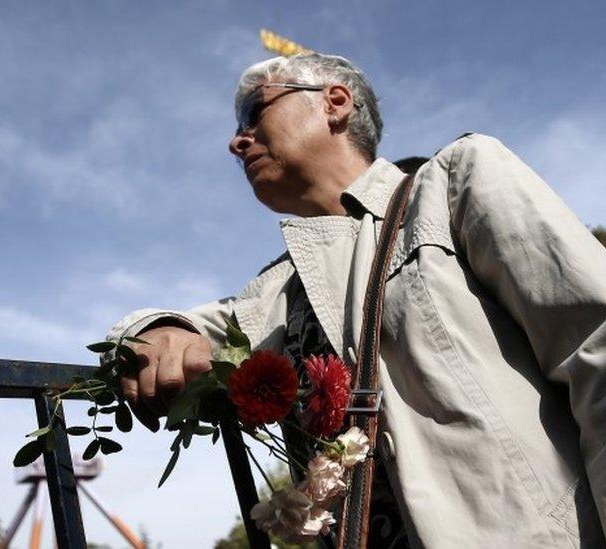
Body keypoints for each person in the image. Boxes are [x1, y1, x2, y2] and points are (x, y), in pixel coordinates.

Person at [106, 53, 606, 547]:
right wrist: (155, 331)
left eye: (253, 113)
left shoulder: (454, 180)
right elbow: (159, 331)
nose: (237, 142)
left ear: (336, 103)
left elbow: (594, 345)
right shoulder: (272, 292)